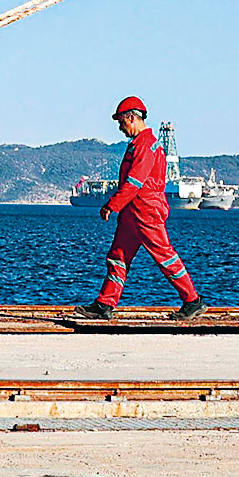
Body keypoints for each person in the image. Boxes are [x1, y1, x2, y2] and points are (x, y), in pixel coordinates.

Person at [75, 97, 205, 321]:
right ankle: (104, 304)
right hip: (132, 212)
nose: (120, 127)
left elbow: (134, 182)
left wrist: (111, 205)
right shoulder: (142, 144)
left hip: (145, 211)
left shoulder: (145, 145)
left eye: (121, 122)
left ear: (132, 118)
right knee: (118, 257)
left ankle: (192, 301)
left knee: (164, 256)